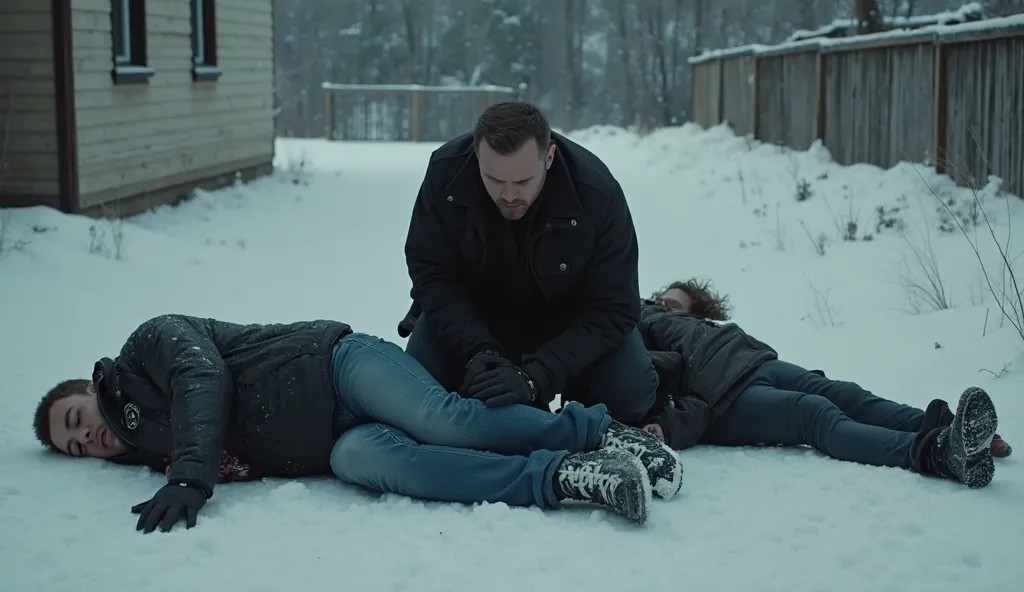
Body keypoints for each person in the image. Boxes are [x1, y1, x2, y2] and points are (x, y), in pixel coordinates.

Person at [33, 314, 684, 534]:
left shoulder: (147, 346)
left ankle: (595, 431)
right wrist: (179, 467)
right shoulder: (158, 455)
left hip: (336, 364)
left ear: (90, 389)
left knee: (444, 420)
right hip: (332, 443)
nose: (84, 438)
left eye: (75, 419)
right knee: (394, 466)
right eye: (72, 447)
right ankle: (566, 477)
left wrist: (193, 478)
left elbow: (205, 380)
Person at [400, 101, 658, 426]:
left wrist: (538, 376)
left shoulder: (596, 193)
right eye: (493, 179)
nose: (508, 195)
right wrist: (477, 352)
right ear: (476, 158)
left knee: (629, 395)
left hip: (567, 322)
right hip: (472, 315)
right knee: (418, 397)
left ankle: (574, 409)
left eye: (522, 181)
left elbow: (615, 308)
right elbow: (431, 272)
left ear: (548, 158)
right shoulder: (446, 171)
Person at [636, 278, 1010, 489]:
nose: (663, 304)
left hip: (755, 364)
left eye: (675, 304)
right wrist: (669, 423)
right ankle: (939, 452)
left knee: (845, 393)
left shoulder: (703, 330)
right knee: (814, 414)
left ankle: (955, 429)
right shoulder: (635, 313)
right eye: (663, 300)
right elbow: (644, 374)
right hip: (720, 399)